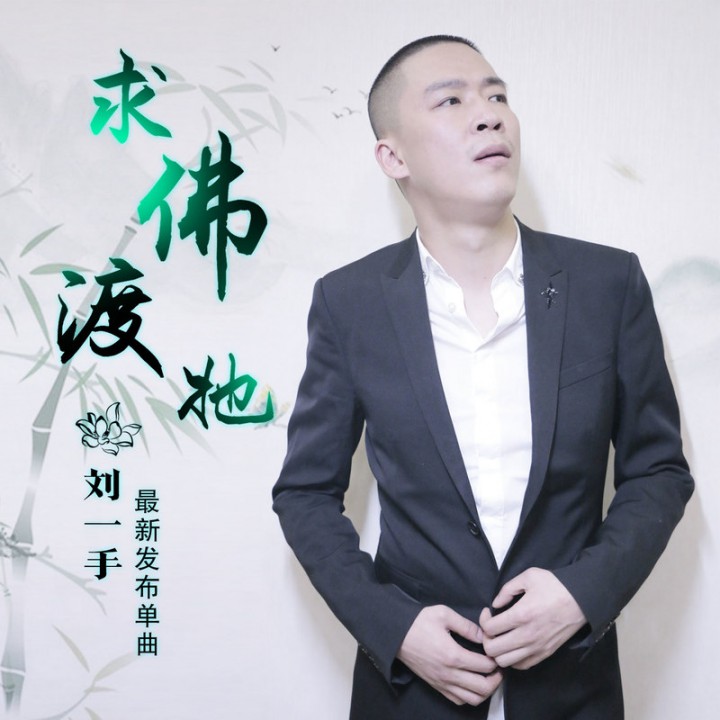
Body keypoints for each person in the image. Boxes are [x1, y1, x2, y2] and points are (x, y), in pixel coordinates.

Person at [272, 35, 694, 719]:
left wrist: (582, 594)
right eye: (451, 101)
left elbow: (659, 472)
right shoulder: (350, 304)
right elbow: (305, 494)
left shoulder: (607, 284)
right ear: (393, 156)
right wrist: (397, 629)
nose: (489, 114)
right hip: (412, 697)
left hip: (573, 689)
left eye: (498, 95)